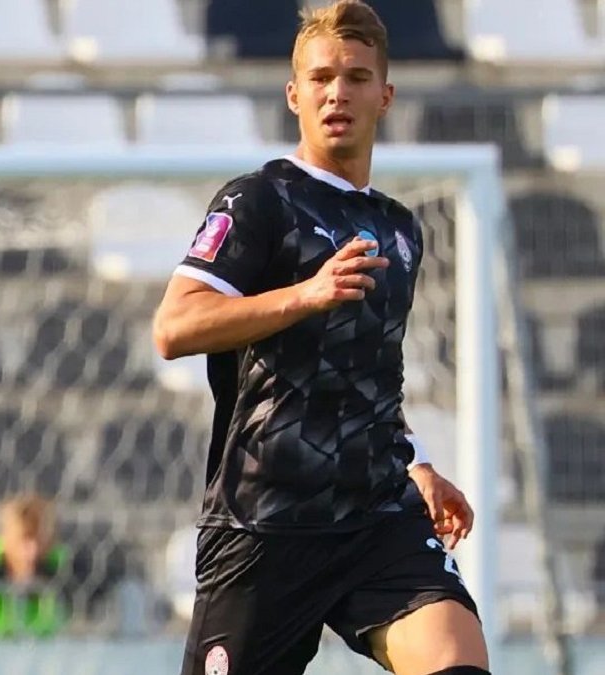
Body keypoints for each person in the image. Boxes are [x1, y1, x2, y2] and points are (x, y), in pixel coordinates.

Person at [152, 3, 491, 674]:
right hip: (266, 522)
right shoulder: (258, 201)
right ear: (294, 95)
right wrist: (305, 294)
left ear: (384, 96)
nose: (338, 93)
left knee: (459, 661)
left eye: (357, 77)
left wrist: (419, 463)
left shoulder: (399, 229)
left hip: (377, 517)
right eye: (321, 78)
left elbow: (367, 373)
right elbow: (174, 327)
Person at [0, 494, 68, 639]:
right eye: (24, 540)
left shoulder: (60, 568)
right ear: (5, 537)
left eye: (39, 541)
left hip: (41, 648)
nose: (33, 551)